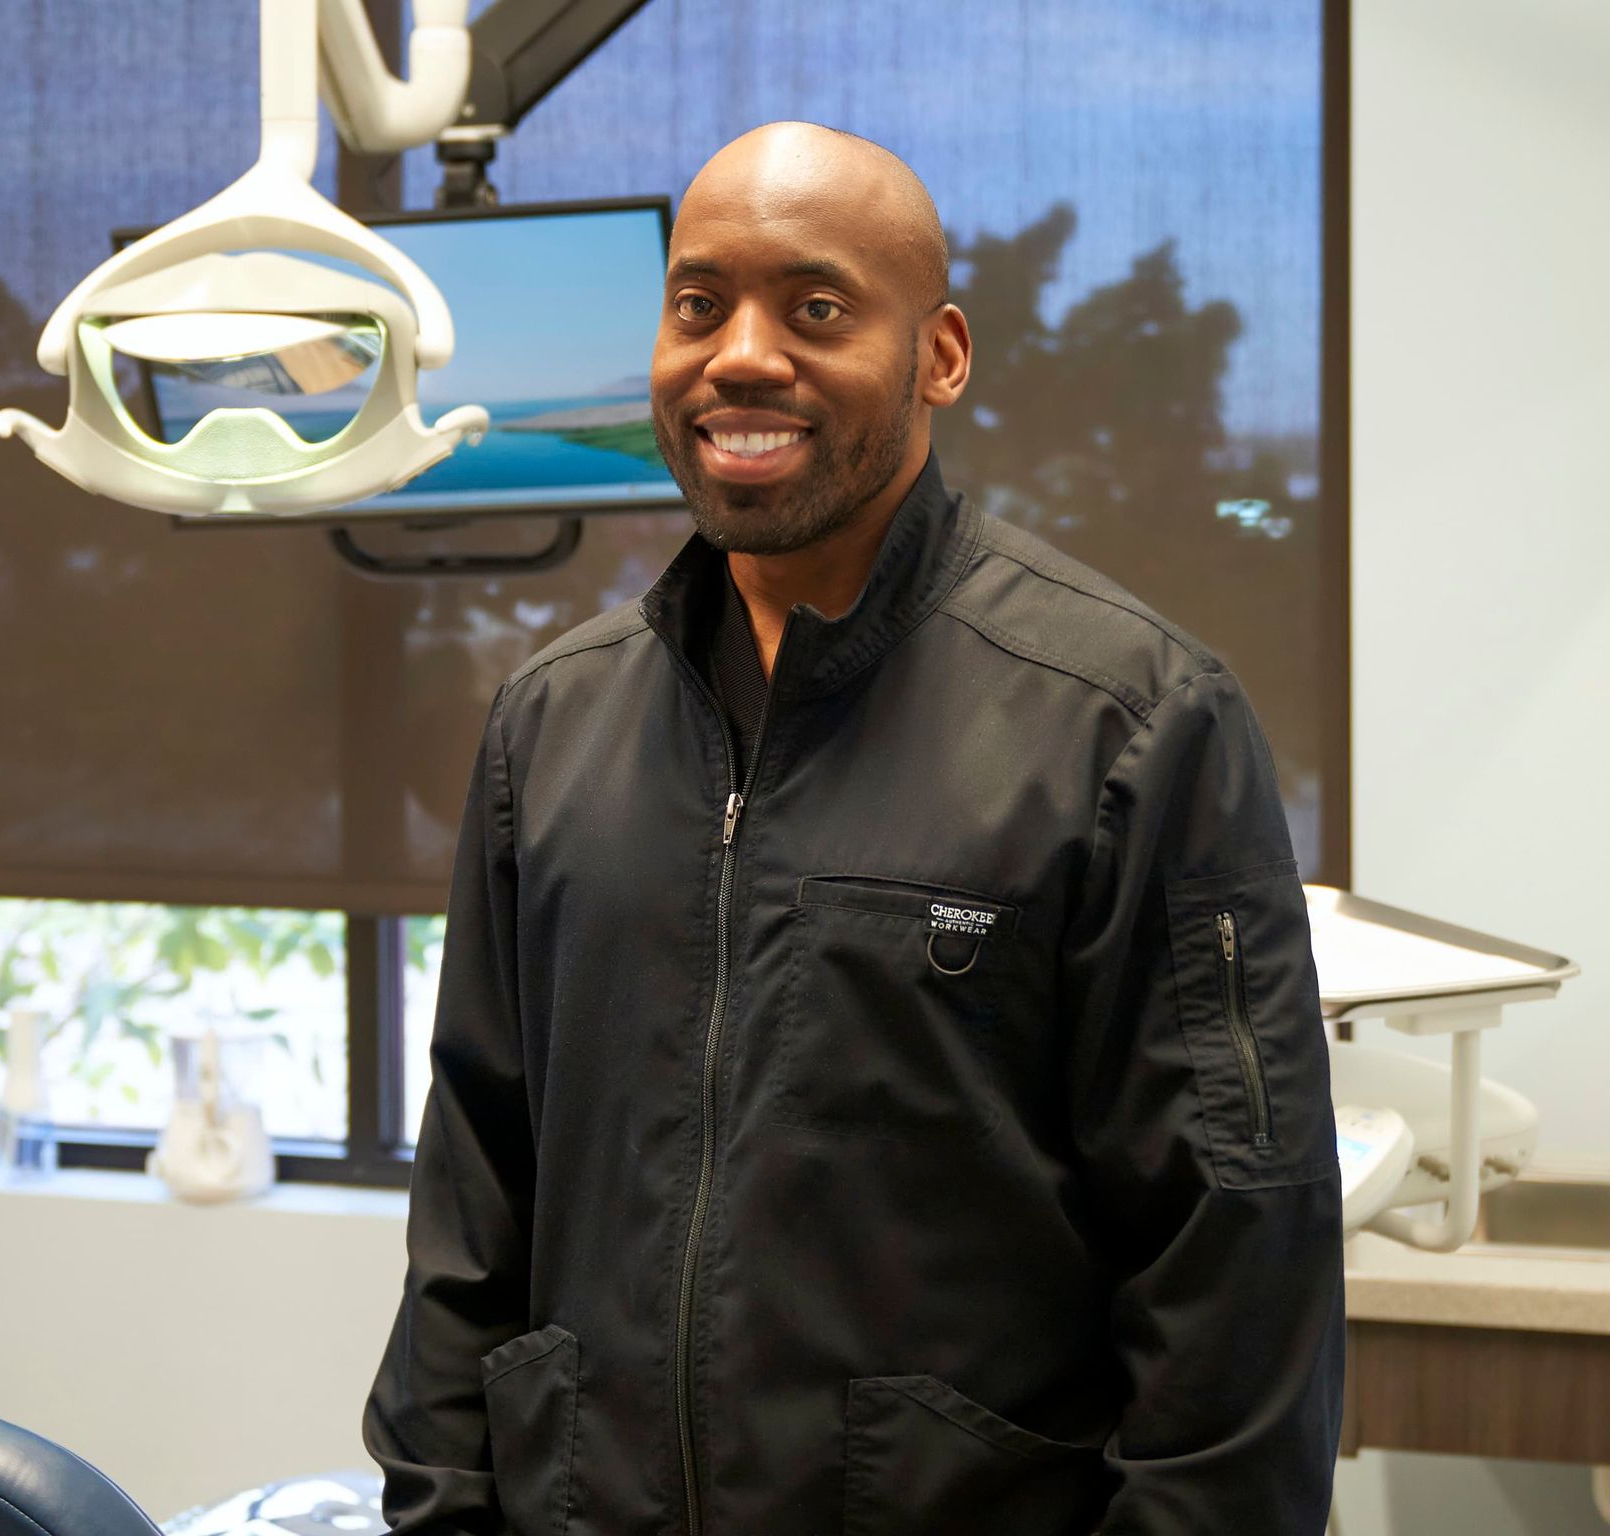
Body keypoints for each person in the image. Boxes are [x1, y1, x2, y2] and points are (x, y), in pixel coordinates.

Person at [364, 122, 1343, 1535]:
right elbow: (472, 1204)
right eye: (698, 305)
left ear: (940, 354)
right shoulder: (551, 724)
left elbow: (1238, 1276)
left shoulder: (1127, 725)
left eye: (814, 308)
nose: (740, 355)